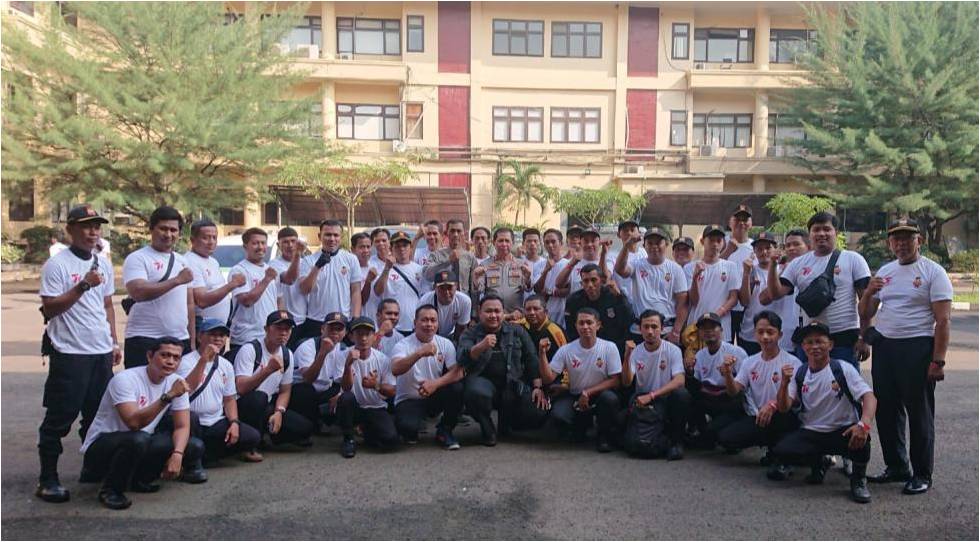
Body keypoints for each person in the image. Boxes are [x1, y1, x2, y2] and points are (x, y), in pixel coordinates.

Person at [858, 218, 952, 494]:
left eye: (907, 238)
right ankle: (897, 466)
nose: (901, 244)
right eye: (896, 239)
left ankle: (922, 473)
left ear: (919, 241)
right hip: (885, 347)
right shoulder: (886, 271)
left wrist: (938, 360)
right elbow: (866, 312)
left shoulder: (933, 272)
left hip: (917, 348)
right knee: (887, 410)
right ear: (889, 243)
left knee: (919, 413)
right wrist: (868, 293)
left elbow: (943, 320)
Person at [36, 205, 121, 503]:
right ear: (70, 229)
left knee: (97, 416)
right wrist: (83, 285)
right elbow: (49, 308)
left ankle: (93, 469)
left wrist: (114, 341)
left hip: (100, 352)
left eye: (96, 226)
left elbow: (107, 305)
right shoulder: (57, 265)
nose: (92, 232)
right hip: (70, 353)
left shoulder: (103, 264)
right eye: (86, 226)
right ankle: (48, 478)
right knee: (60, 417)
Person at [79, 338, 205, 510]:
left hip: (142, 440)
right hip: (102, 448)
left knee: (193, 446)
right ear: (149, 356)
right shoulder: (125, 379)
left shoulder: (176, 382)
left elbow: (182, 425)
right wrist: (168, 396)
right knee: (138, 439)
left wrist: (177, 454)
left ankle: (138, 479)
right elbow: (133, 423)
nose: (170, 361)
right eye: (165, 355)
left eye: (176, 358)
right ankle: (110, 490)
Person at [771, 322, 878, 503]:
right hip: (812, 432)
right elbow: (783, 407)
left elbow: (869, 397)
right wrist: (783, 384)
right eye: (809, 342)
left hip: (841, 431)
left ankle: (859, 480)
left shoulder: (842, 368)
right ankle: (819, 463)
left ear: (830, 344)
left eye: (819, 341)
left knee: (861, 439)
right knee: (782, 451)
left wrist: (864, 424)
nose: (814, 347)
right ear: (803, 347)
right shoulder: (800, 373)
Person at [767, 212, 872, 368]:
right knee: (808, 382)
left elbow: (866, 302)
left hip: (844, 340)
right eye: (816, 230)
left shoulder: (853, 259)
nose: (821, 233)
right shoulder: (798, 263)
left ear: (836, 232)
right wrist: (773, 265)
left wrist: (864, 338)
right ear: (810, 234)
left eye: (826, 229)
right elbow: (775, 293)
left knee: (844, 381)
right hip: (810, 340)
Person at [717, 311, 801, 478]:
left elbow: (788, 404)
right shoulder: (750, 362)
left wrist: (772, 405)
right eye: (760, 332)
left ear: (780, 335)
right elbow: (734, 391)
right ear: (755, 334)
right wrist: (727, 373)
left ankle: (782, 455)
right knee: (726, 438)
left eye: (770, 332)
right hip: (760, 416)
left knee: (783, 417)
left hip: (784, 415)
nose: (765, 337)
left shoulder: (792, 362)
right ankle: (772, 447)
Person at [457, 295, 549, 446]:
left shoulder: (517, 331)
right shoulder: (470, 333)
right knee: (475, 393)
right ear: (479, 312)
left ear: (503, 312)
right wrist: (481, 346)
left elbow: (531, 358)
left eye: (497, 311)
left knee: (538, 411)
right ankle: (487, 428)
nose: (493, 315)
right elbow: (461, 358)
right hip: (483, 384)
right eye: (488, 311)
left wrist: (537, 387)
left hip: (511, 384)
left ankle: (506, 425)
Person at [178, 319, 262, 464]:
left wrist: (234, 422)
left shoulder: (226, 365)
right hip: (191, 422)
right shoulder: (186, 362)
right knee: (192, 419)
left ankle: (207, 455)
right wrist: (204, 360)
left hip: (215, 421)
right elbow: (188, 388)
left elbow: (229, 399)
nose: (218, 339)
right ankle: (194, 458)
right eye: (213, 334)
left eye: (222, 335)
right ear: (200, 337)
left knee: (252, 437)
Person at [538, 308, 622, 452]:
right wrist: (542, 354)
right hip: (575, 396)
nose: (585, 327)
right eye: (581, 323)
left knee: (610, 399)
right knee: (559, 415)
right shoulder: (566, 350)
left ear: (598, 325)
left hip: (600, 395)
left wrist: (588, 392)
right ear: (576, 326)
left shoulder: (609, 347)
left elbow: (616, 380)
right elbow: (548, 378)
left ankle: (604, 436)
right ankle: (581, 426)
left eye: (589, 323)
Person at [122, 206, 195, 368]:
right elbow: (138, 292)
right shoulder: (138, 258)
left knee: (179, 384)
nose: (168, 234)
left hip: (179, 339)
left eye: (173, 230)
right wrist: (176, 280)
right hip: (144, 338)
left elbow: (189, 304)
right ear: (151, 229)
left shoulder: (183, 261)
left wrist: (191, 339)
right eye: (163, 229)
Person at [234, 311, 315, 451]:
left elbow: (285, 390)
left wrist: (279, 412)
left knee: (305, 428)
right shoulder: (250, 349)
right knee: (259, 397)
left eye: (287, 329)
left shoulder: (287, 354)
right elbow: (241, 388)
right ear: (266, 329)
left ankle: (271, 435)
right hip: (245, 404)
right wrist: (267, 370)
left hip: (268, 404)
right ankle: (249, 445)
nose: (283, 333)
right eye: (278, 328)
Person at [391, 305, 464, 449]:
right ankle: (409, 424)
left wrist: (435, 384)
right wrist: (419, 353)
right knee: (407, 430)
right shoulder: (402, 345)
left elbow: (458, 372)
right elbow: (395, 369)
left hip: (433, 394)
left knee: (457, 388)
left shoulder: (445, 343)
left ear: (438, 323)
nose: (429, 324)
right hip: (409, 399)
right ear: (415, 323)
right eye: (424, 320)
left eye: (433, 320)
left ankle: (445, 430)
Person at [619, 310, 689, 460]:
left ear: (662, 328)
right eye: (646, 327)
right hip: (642, 400)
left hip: (664, 398)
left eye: (654, 327)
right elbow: (626, 382)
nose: (650, 331)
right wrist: (627, 357)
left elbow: (679, 380)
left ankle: (677, 443)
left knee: (681, 395)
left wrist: (652, 395)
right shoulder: (636, 351)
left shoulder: (673, 350)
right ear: (640, 329)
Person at [615, 227, 689, 345]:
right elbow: (620, 270)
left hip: (666, 330)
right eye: (650, 243)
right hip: (640, 330)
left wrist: (676, 331)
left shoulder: (676, 269)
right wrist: (626, 246)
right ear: (644, 246)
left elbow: (683, 303)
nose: (654, 246)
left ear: (666, 244)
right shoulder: (636, 265)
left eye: (658, 243)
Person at [337, 317, 399, 458]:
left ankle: (367, 431)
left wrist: (375, 385)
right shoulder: (343, 356)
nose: (364, 338)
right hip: (353, 407)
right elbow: (345, 388)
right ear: (351, 336)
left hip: (375, 407)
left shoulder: (383, 359)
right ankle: (348, 439)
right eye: (359, 334)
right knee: (346, 398)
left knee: (391, 440)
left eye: (368, 334)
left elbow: (392, 391)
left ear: (374, 336)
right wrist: (348, 366)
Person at [685, 312, 747, 448]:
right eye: (704, 328)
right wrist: (689, 371)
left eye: (712, 327)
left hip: (730, 401)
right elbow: (696, 386)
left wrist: (728, 373)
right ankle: (701, 431)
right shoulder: (700, 355)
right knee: (686, 393)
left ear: (721, 330)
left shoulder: (736, 352)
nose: (708, 331)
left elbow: (744, 387)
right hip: (710, 399)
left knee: (719, 436)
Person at [296, 220, 363, 342]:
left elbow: (356, 291)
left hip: (342, 321)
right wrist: (317, 267)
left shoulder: (351, 259)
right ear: (319, 236)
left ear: (341, 237)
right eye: (327, 235)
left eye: (336, 235)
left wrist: (355, 318)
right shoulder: (308, 260)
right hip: (316, 321)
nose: (332, 239)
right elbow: (304, 289)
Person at [228, 228, 282, 360]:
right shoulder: (239, 270)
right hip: (246, 338)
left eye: (263, 243)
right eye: (255, 243)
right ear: (245, 246)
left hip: (268, 337)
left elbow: (278, 300)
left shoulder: (270, 270)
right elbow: (246, 301)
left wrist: (280, 325)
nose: (260, 247)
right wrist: (266, 279)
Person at [290, 312, 348, 430]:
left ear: (345, 332)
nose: (335, 332)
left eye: (339, 329)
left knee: (345, 394)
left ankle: (324, 421)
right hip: (300, 388)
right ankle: (309, 425)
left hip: (324, 389)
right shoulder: (307, 346)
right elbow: (308, 378)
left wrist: (340, 395)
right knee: (306, 391)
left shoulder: (343, 349)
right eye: (331, 328)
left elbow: (342, 380)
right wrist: (323, 353)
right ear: (322, 329)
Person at [685, 225, 740, 343]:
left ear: (724, 243)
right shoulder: (690, 268)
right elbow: (693, 301)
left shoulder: (731, 267)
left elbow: (733, 298)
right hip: (696, 327)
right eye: (711, 240)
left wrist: (715, 316)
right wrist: (695, 278)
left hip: (721, 328)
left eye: (718, 240)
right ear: (702, 241)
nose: (715, 244)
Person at [563, 264, 633, 356]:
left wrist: (620, 297)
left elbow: (628, 319)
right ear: (581, 283)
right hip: (586, 349)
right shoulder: (573, 300)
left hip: (613, 347)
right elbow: (571, 330)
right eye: (586, 281)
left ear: (601, 281)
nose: (590, 285)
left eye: (593, 280)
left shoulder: (613, 295)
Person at [184, 219, 243, 327]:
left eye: (214, 237)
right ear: (193, 240)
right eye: (205, 238)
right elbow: (202, 301)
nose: (211, 242)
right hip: (203, 328)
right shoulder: (190, 261)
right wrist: (232, 284)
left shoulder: (213, 261)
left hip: (219, 327)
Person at [759, 229, 808, 352]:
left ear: (808, 246)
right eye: (788, 245)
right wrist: (782, 271)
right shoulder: (778, 269)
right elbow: (764, 299)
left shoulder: (815, 268)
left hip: (809, 336)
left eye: (796, 244)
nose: (791, 248)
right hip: (785, 337)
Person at [373, 231, 423, 336]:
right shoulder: (384, 269)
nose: (402, 249)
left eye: (405, 245)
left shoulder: (419, 270)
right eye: (397, 246)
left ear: (410, 248)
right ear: (391, 249)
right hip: (393, 326)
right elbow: (377, 291)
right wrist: (387, 268)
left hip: (414, 325)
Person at [736, 232, 778, 356]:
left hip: (775, 332)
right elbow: (744, 302)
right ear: (754, 251)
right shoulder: (750, 270)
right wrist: (746, 274)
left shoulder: (783, 270)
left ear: (775, 249)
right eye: (759, 249)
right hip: (750, 333)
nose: (764, 252)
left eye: (768, 248)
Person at [473, 227, 532, 316]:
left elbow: (528, 289)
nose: (504, 244)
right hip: (493, 316)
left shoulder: (522, 264)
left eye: (507, 241)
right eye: (500, 241)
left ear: (512, 243)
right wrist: (475, 278)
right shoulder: (485, 265)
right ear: (494, 242)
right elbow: (479, 289)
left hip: (516, 315)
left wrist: (528, 279)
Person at [423, 219, 479, 305]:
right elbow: (428, 276)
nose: (455, 234)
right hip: (442, 303)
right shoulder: (436, 255)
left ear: (464, 233)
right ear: (447, 233)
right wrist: (448, 262)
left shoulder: (470, 257)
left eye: (459, 231)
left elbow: (473, 286)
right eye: (452, 231)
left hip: (463, 303)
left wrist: (474, 309)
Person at [269, 227, 307, 349]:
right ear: (278, 245)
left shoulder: (307, 262)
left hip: (306, 320)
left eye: (293, 241)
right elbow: (289, 279)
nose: (290, 245)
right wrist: (297, 255)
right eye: (285, 242)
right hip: (286, 323)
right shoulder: (274, 264)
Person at [721, 205, 755, 343]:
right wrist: (728, 251)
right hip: (724, 306)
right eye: (737, 219)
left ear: (751, 223)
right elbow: (711, 266)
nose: (741, 223)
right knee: (724, 345)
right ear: (730, 222)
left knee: (745, 347)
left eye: (745, 219)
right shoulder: (720, 242)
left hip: (747, 308)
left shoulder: (756, 247)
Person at [554, 226, 615, 298]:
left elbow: (605, 279)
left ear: (599, 242)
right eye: (586, 241)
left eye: (593, 241)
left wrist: (603, 254)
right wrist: (572, 264)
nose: (589, 244)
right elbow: (558, 285)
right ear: (580, 243)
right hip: (577, 304)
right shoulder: (571, 263)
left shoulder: (607, 261)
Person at [419, 269, 472, 342]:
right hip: (429, 335)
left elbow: (461, 328)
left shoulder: (465, 301)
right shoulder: (425, 301)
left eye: (449, 287)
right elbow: (421, 327)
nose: (446, 292)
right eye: (442, 288)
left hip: (451, 335)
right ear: (434, 288)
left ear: (456, 286)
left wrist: (455, 344)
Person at [533, 228, 571, 328]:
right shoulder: (538, 265)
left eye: (553, 242)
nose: (550, 245)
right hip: (543, 317)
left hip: (562, 317)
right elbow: (537, 290)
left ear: (561, 243)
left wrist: (549, 292)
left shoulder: (568, 265)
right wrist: (546, 271)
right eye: (547, 242)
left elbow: (568, 290)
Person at [609, 220, 647, 300]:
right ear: (618, 235)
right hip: (623, 302)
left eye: (632, 230)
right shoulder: (612, 256)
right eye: (625, 231)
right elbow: (607, 275)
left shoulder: (644, 253)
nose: (629, 233)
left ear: (639, 233)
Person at [521, 228, 548, 299]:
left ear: (540, 243)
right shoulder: (518, 263)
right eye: (529, 241)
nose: (532, 244)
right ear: (523, 243)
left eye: (535, 241)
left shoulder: (546, 264)